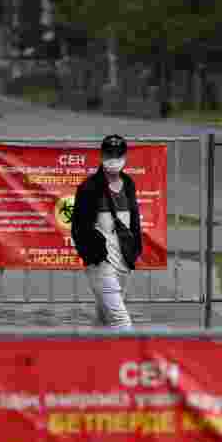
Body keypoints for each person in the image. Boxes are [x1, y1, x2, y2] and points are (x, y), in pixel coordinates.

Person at [70, 134, 142, 329]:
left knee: (104, 319)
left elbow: (134, 221)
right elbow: (78, 228)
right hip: (101, 264)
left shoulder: (129, 184)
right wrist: (93, 256)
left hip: (124, 263)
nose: (113, 159)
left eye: (118, 154)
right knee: (121, 320)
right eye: (109, 154)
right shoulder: (88, 188)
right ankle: (132, 358)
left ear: (125, 157)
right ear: (101, 156)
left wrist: (135, 250)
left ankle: (94, 356)